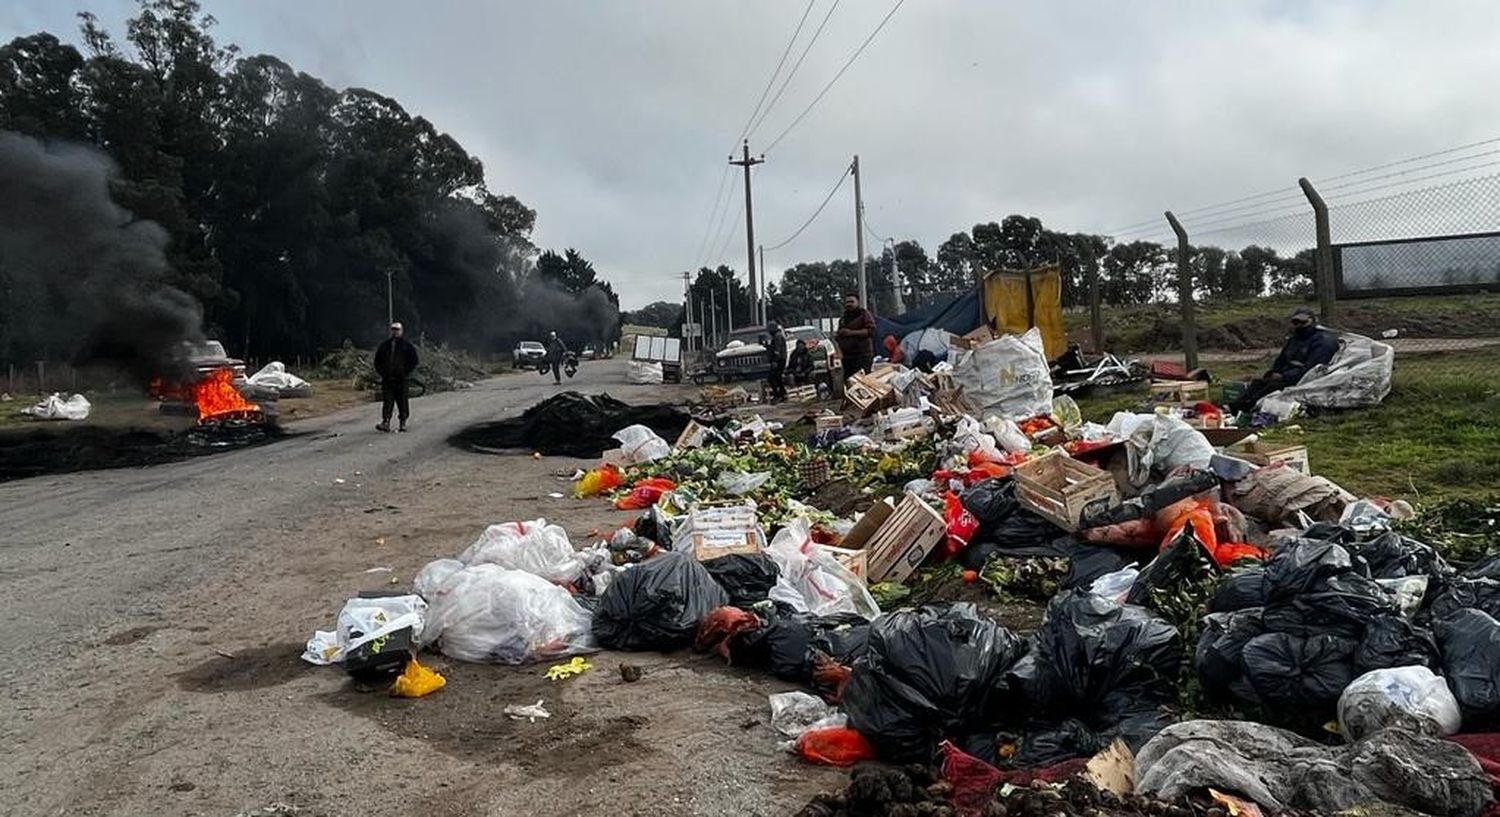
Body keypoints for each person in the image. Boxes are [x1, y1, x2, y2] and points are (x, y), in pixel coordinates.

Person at [1229, 306, 1340, 414]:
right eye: (1296, 322)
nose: (1300, 326)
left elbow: (1313, 369)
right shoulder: (1295, 339)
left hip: (1305, 380)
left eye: (1303, 322)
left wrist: (1285, 376)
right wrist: (1274, 371)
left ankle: (1246, 409)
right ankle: (1234, 408)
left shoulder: (1323, 341)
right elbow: (1281, 359)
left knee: (1271, 387)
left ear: (1313, 321)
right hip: (1288, 375)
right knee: (1258, 383)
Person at [374, 321, 419, 432]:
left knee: (402, 401)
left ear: (401, 331)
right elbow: (377, 361)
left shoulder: (407, 346)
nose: (395, 332)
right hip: (388, 379)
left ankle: (402, 422)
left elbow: (414, 360)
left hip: (401, 379)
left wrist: (405, 372)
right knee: (387, 401)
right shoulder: (384, 345)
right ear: (391, 331)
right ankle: (386, 422)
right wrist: (383, 373)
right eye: (393, 329)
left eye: (397, 330)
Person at [835, 293, 876, 375]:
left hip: (863, 355)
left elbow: (871, 331)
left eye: (851, 302)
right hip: (848, 357)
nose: (849, 304)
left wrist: (850, 333)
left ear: (858, 302)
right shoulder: (843, 318)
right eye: (847, 302)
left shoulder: (864, 315)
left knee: (863, 379)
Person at [765, 320, 788, 402]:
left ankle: (778, 394)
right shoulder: (777, 336)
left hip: (779, 360)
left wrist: (775, 361)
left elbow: (777, 350)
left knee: (773, 377)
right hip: (780, 359)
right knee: (777, 377)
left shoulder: (777, 336)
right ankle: (783, 393)